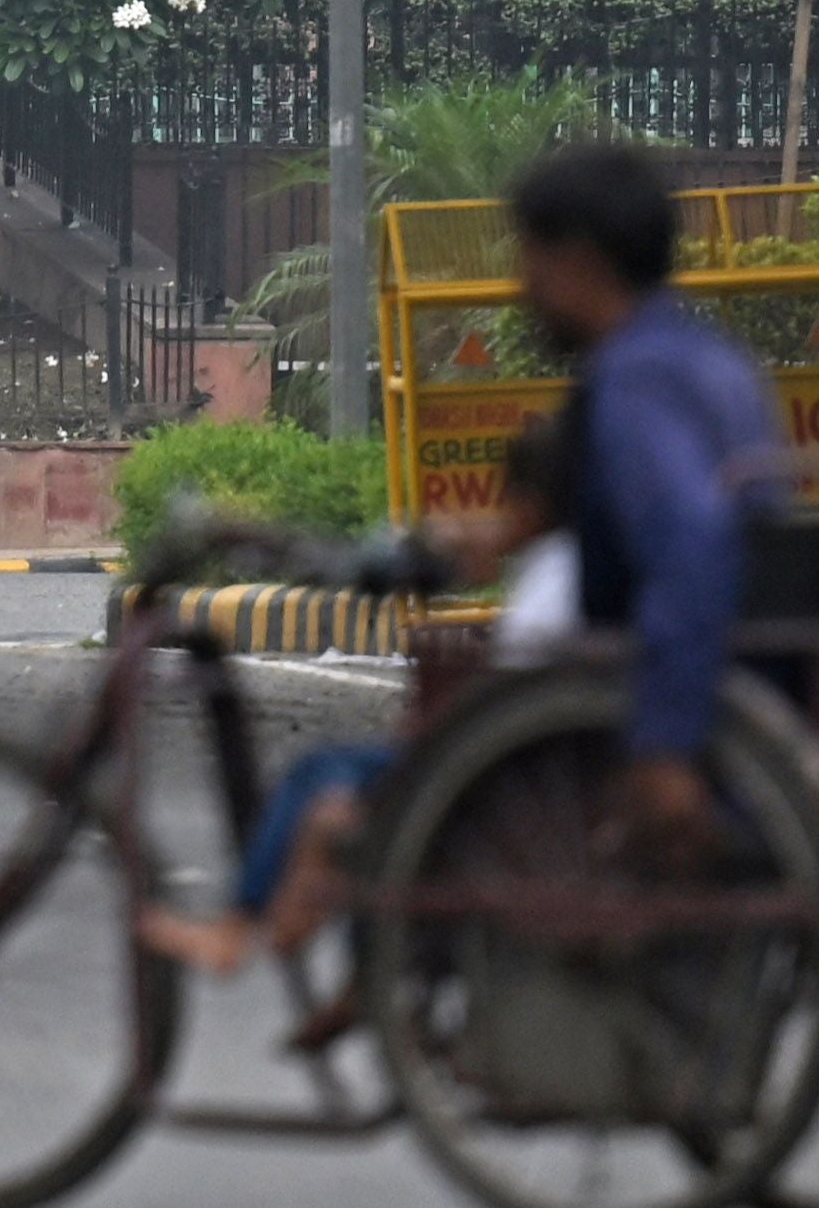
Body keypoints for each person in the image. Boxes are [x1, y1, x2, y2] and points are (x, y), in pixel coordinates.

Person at [144, 408, 575, 980]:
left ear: (534, 503)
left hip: (496, 760)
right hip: (509, 751)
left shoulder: (555, 578)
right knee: (331, 779)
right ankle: (328, 958)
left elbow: (519, 667)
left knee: (321, 774)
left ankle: (237, 928)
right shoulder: (564, 564)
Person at [507, 135, 784, 863]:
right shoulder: (709, 356)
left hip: (656, 684)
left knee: (332, 788)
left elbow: (690, 541)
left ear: (578, 260)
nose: (522, 285)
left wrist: (665, 741)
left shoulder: (636, 378)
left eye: (530, 259)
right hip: (759, 649)